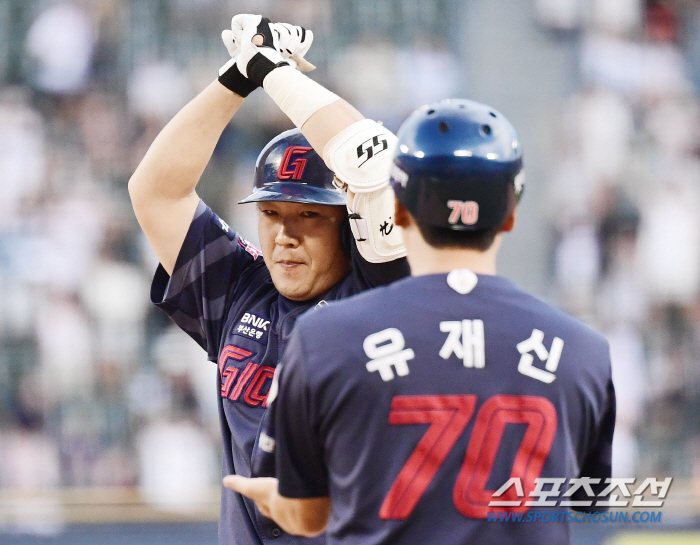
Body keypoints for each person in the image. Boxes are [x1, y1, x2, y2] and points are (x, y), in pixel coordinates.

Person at [225, 99, 617, 544]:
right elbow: (589, 497)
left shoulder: (325, 339)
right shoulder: (585, 350)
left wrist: (280, 506)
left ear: (401, 212)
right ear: (511, 214)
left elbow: (307, 514)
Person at [128, 14, 409, 545]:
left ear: (348, 225)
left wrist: (275, 73)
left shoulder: (388, 294)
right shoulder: (244, 286)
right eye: (272, 213)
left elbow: (375, 163)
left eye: (308, 216)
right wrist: (236, 78)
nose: (284, 234)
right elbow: (155, 192)